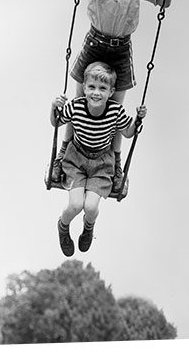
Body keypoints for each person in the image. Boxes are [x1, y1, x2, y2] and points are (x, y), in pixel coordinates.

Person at [53, 0, 176, 189]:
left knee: (116, 109)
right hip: (95, 43)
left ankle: (116, 161)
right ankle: (63, 153)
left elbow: (162, 2)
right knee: (80, 102)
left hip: (121, 48)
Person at [51, 61, 147, 257]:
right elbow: (56, 122)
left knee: (91, 207)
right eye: (92, 87)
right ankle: (63, 226)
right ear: (84, 88)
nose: (96, 92)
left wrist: (137, 120)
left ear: (111, 92)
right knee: (76, 205)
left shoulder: (115, 111)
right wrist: (54, 106)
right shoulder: (76, 106)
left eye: (102, 88)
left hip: (102, 164)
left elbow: (128, 132)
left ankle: (88, 228)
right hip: (76, 160)